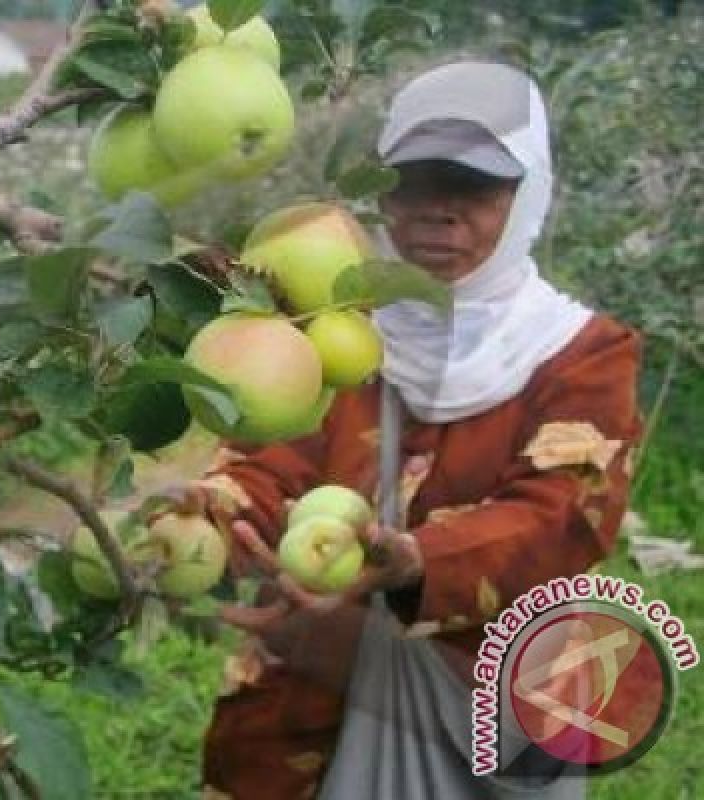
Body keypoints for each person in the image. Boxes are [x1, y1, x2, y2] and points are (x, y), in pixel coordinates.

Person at [190, 61, 643, 798]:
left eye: (476, 187)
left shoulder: (580, 353)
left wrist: (414, 561)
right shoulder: (332, 328)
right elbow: (270, 455)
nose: (439, 210)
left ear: (529, 195)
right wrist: (214, 512)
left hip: (477, 691)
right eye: (415, 183)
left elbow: (562, 514)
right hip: (311, 684)